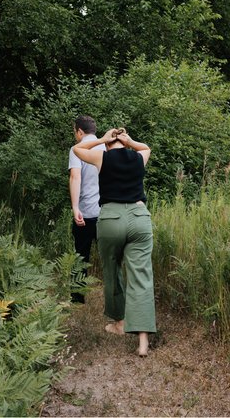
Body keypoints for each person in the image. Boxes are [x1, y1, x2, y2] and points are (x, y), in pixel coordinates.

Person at [73, 127, 155, 357]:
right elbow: (147, 147)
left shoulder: (102, 156)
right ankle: (143, 342)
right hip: (139, 218)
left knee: (111, 270)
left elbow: (77, 148)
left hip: (110, 219)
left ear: (109, 143)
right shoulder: (138, 157)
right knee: (141, 275)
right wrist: (130, 141)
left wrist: (101, 139)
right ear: (125, 143)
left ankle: (119, 323)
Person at [69, 115, 103, 303]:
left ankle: (77, 298)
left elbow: (75, 177)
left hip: (86, 212)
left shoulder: (78, 149)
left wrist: (75, 207)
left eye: (75, 131)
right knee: (110, 258)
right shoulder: (105, 147)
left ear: (80, 131)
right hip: (105, 212)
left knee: (81, 256)